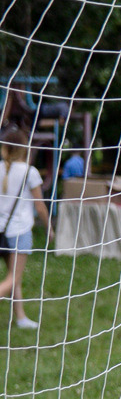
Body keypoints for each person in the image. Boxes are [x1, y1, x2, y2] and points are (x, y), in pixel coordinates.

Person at [0, 128, 52, 329]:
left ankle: (20, 318)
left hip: (2, 231)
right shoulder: (30, 172)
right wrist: (50, 229)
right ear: (25, 147)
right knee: (13, 278)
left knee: (14, 277)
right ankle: (20, 318)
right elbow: (40, 206)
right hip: (19, 231)